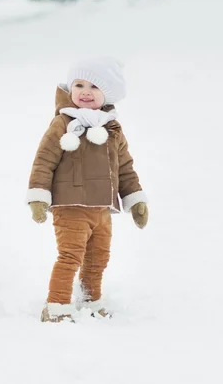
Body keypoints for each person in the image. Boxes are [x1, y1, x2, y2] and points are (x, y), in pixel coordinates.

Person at [26, 57, 148, 322]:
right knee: (70, 257)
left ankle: (90, 299)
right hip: (70, 206)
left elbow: (124, 166)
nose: (85, 91)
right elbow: (44, 160)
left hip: (102, 208)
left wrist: (135, 199)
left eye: (94, 86)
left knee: (98, 258)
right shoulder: (63, 123)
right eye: (79, 84)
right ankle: (56, 306)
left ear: (107, 94)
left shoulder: (112, 128)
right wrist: (38, 197)